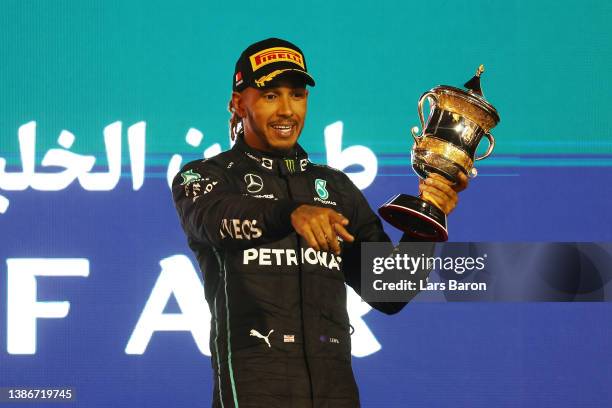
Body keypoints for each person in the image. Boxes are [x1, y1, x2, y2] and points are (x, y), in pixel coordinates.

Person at [172, 38, 466, 408]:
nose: (286, 111)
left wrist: (426, 221)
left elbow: (388, 291)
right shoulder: (204, 177)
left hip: (337, 392)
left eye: (296, 95)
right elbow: (213, 221)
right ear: (237, 103)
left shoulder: (336, 187)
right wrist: (291, 213)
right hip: (254, 389)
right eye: (269, 96)